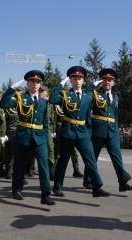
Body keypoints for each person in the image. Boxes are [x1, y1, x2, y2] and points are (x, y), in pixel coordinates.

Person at [49, 66, 110, 198]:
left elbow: (88, 116)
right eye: (74, 78)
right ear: (70, 80)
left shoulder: (88, 97)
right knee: (63, 160)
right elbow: (53, 99)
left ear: (83, 80)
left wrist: (88, 132)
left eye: (80, 78)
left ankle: (97, 187)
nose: (77, 80)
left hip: (83, 133)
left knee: (91, 159)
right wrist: (61, 83)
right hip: (68, 132)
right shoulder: (65, 95)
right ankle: (57, 186)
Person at [0, 70, 55, 205]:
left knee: (43, 165)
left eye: (38, 81)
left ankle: (45, 194)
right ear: (28, 83)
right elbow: (3, 104)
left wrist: (45, 135)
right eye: (32, 81)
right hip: (24, 135)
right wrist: (11, 89)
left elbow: (45, 122)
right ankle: (16, 189)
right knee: (20, 164)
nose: (35, 84)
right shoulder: (20, 98)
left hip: (40, 137)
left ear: (40, 84)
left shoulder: (43, 101)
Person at [84, 68, 132, 192]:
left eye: (110, 80)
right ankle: (88, 180)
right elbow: (85, 94)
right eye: (105, 79)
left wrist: (116, 129)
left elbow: (115, 115)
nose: (107, 82)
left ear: (114, 82)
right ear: (101, 81)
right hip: (97, 130)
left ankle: (123, 182)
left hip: (112, 131)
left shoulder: (116, 97)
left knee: (117, 157)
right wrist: (93, 84)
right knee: (93, 157)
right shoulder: (95, 94)